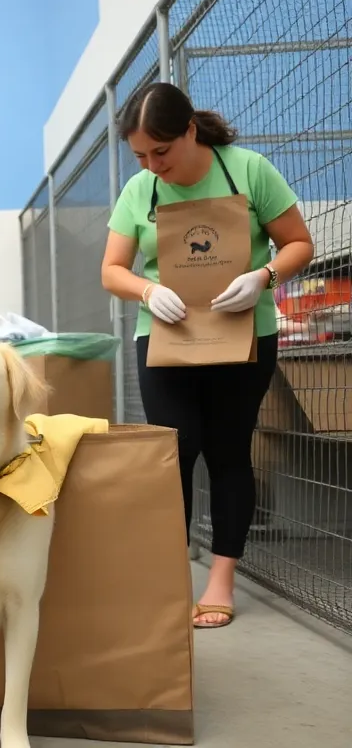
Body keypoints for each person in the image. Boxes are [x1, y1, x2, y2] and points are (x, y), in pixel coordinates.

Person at [100, 81, 314, 630]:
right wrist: (146, 290)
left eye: (161, 152)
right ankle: (170, 581)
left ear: (190, 131)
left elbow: (298, 243)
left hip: (243, 336)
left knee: (227, 452)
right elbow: (112, 270)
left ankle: (220, 580)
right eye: (140, 155)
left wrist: (264, 277)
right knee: (173, 453)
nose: (152, 165)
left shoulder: (248, 170)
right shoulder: (139, 190)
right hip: (166, 338)